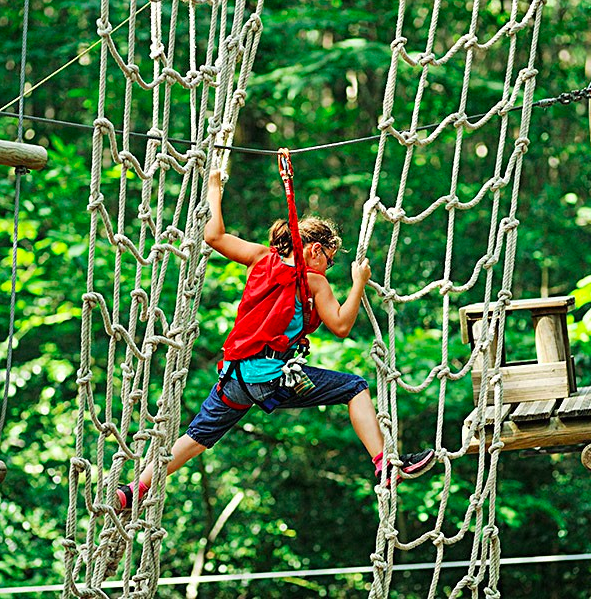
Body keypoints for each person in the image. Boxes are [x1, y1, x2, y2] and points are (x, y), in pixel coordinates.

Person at [116, 169, 434, 510]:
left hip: (235, 376)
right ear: (314, 251)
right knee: (355, 388)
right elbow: (341, 325)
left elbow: (214, 235)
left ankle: (134, 490)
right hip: (270, 377)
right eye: (328, 259)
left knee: (196, 437)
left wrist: (213, 187)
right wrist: (359, 282)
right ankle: (385, 464)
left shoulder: (260, 258)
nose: (328, 267)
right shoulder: (314, 282)